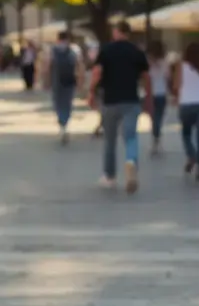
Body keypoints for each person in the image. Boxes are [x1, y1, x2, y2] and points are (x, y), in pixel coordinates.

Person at [86, 21, 151, 194]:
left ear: (116, 32)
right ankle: (130, 160)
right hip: (131, 100)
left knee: (110, 139)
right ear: (128, 33)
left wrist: (91, 92)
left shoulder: (106, 50)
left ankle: (109, 176)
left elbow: (97, 72)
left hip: (110, 100)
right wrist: (149, 98)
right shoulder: (136, 52)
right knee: (130, 136)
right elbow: (146, 76)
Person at [171, 42, 199, 182]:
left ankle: (192, 155)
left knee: (186, 134)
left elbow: (177, 85)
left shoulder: (180, 65)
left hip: (187, 104)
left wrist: (176, 98)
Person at [47, 31, 82, 145]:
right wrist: (80, 80)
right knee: (67, 103)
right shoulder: (74, 50)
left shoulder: (52, 50)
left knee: (58, 103)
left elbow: (48, 65)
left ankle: (62, 125)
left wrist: (46, 80)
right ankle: (65, 124)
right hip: (70, 81)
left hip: (57, 81)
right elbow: (79, 65)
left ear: (58, 39)